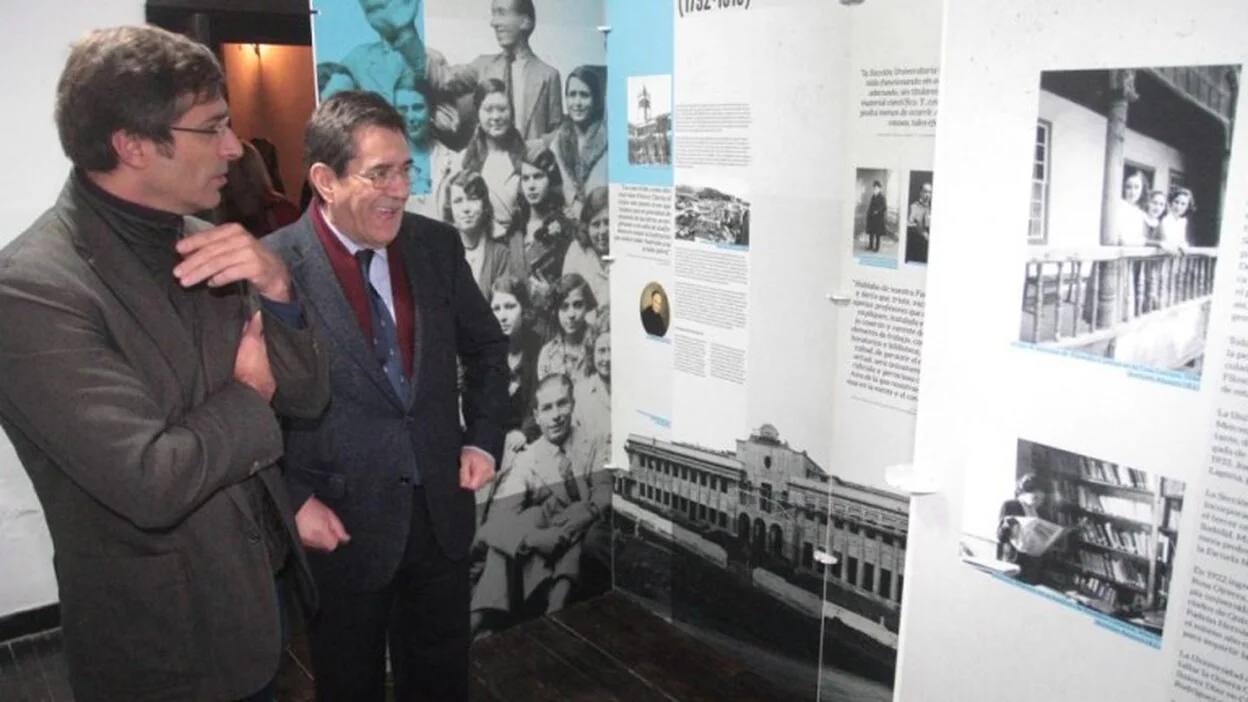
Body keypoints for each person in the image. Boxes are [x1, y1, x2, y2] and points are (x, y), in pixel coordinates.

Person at [0, 25, 330, 702]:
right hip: (164, 649)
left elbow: (305, 400)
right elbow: (151, 483)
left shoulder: (211, 241)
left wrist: (280, 291)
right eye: (213, 128)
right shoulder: (30, 290)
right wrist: (248, 391)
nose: (236, 148)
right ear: (134, 145)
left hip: (259, 606)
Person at [265, 90, 509, 702]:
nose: (400, 190)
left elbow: (486, 349)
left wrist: (482, 437)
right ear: (324, 180)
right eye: (380, 174)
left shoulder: (435, 246)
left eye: (406, 170)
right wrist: (293, 501)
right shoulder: (270, 268)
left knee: (440, 680)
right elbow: (251, 403)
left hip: (439, 517)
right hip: (339, 528)